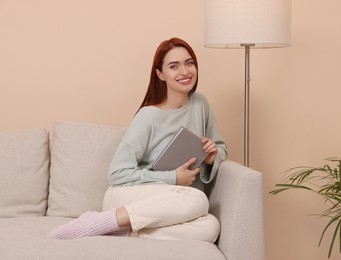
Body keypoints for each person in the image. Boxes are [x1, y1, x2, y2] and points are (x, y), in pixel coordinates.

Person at [47, 37, 228, 242]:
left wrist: (212, 157)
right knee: (198, 200)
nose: (185, 72)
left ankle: (127, 231)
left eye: (189, 63)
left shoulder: (200, 104)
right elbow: (117, 173)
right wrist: (173, 178)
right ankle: (105, 220)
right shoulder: (148, 116)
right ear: (160, 74)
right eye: (173, 66)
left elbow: (220, 147)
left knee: (210, 227)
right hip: (129, 196)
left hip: (172, 203)